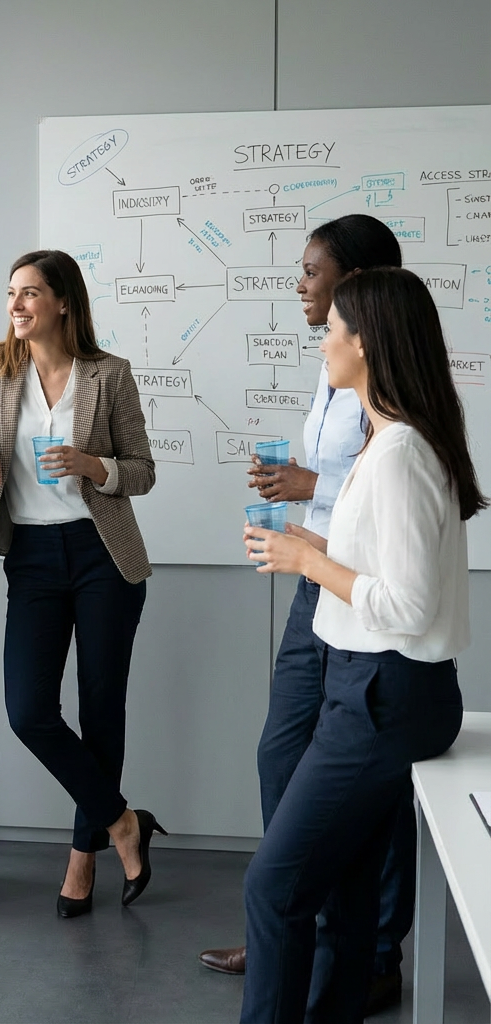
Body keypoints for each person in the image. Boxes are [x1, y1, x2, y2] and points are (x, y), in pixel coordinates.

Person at [0, 249, 163, 917]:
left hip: (103, 555)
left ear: (63, 302)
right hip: (34, 558)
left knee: (101, 710)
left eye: (30, 293)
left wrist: (92, 465)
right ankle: (122, 822)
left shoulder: (108, 374)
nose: (15, 304)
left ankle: (81, 859)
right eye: (11, 292)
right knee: (29, 711)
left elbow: (142, 469)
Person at [239, 267, 477, 1023]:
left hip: (382, 694)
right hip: (379, 689)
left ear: (365, 342)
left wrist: (309, 563)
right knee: (345, 894)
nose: (323, 343)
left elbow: (408, 605)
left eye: (333, 330)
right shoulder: (393, 441)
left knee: (273, 887)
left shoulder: (400, 451)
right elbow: (388, 566)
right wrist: (315, 544)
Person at [200, 215, 413, 1014]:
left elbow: (386, 492)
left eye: (312, 270)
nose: (299, 284)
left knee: (369, 778)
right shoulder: (333, 367)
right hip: (313, 580)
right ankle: (288, 919)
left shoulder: (388, 379)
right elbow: (341, 479)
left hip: (354, 586)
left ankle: (371, 952)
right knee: (283, 755)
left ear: (353, 283)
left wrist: (309, 489)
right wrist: (298, 482)